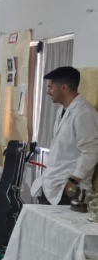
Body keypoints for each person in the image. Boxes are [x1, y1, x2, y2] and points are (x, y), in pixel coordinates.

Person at [30, 66, 98, 205]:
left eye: (50, 87)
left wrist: (73, 180)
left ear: (64, 88)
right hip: (53, 182)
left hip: (69, 188)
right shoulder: (62, 110)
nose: (48, 92)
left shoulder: (84, 113)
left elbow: (91, 152)